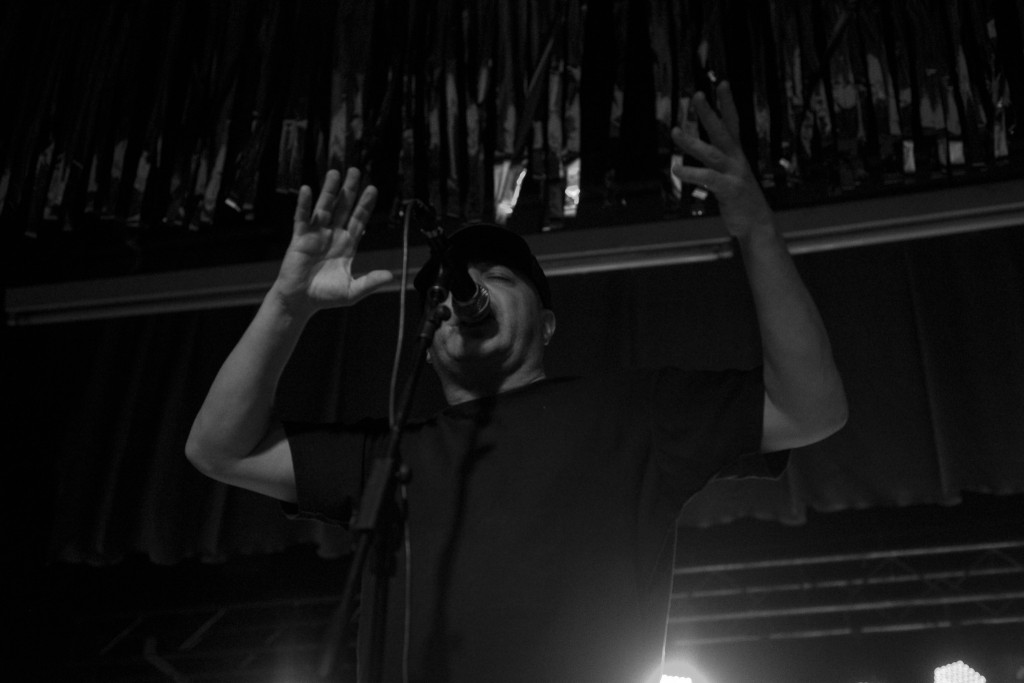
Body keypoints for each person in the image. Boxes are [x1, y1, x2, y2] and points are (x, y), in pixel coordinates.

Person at [186, 82, 847, 682]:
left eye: (498, 277)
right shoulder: (388, 458)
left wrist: (757, 229)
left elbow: (810, 409)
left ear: (549, 324)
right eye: (444, 293)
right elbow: (219, 449)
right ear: (428, 341)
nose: (465, 291)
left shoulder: (633, 413)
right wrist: (287, 305)